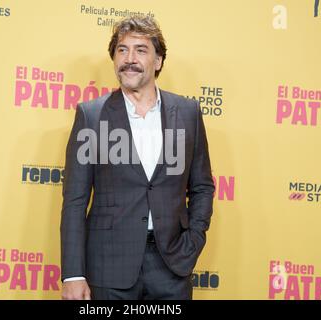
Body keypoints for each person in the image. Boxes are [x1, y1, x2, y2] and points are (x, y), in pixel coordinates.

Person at [60, 15, 215, 300]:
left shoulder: (188, 113)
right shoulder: (91, 116)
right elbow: (75, 200)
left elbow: (202, 186)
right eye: (122, 50)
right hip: (108, 268)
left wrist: (193, 240)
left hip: (172, 267)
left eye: (141, 50)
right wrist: (73, 274)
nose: (129, 58)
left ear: (158, 61)